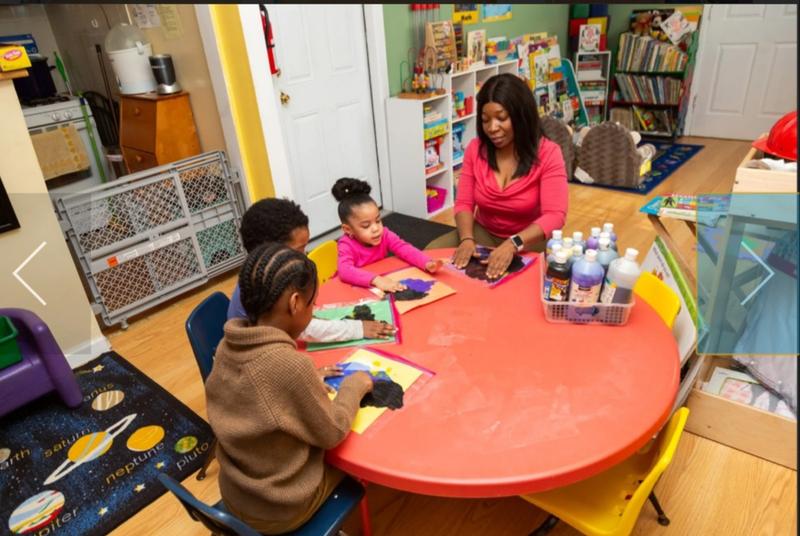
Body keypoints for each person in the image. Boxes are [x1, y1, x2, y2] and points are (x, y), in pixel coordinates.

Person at [205, 242, 374, 534]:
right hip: (279, 509)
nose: (313, 311)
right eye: (312, 305)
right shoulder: (290, 367)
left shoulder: (227, 345)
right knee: (359, 463)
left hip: (237, 491)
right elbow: (332, 432)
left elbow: (263, 393)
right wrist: (355, 386)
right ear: (295, 303)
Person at [426, 73, 568, 279]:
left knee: (515, 286)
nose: (492, 128)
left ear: (521, 116)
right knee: (430, 255)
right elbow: (464, 203)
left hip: (528, 237)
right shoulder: (476, 149)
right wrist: (466, 238)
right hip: (482, 231)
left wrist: (513, 244)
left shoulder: (548, 152)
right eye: (485, 120)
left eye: (501, 118)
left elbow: (555, 215)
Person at [227, 198, 395, 341]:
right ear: (272, 255)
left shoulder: (266, 275)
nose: (305, 258)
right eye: (300, 250)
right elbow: (306, 329)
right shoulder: (265, 290)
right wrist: (358, 329)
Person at [332, 178, 442, 292]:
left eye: (378, 220)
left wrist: (426, 262)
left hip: (377, 283)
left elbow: (403, 248)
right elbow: (345, 271)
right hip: (352, 288)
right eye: (366, 226)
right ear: (348, 229)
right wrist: (377, 280)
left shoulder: (384, 234)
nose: (375, 229)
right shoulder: (346, 244)